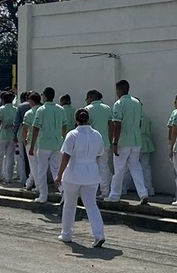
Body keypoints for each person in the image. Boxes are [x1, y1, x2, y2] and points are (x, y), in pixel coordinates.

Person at [56, 108, 107, 247]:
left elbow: (66, 156)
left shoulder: (72, 134)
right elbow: (99, 153)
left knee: (69, 205)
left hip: (73, 175)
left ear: (76, 120)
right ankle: (99, 234)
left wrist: (59, 174)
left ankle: (66, 234)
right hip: (91, 174)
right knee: (92, 205)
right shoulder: (97, 134)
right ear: (88, 119)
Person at [105, 80, 150, 204]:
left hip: (123, 142)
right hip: (136, 141)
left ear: (119, 90)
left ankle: (114, 195)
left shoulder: (119, 104)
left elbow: (117, 124)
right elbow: (140, 122)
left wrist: (114, 142)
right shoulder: (137, 103)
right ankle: (143, 193)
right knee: (136, 167)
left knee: (119, 169)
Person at [29, 86, 68, 204]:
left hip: (44, 144)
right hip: (57, 144)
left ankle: (43, 196)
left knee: (41, 171)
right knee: (56, 170)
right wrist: (60, 137)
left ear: (44, 96)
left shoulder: (41, 110)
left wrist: (32, 146)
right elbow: (64, 126)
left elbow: (36, 128)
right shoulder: (61, 109)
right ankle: (63, 191)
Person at [84, 90, 114, 196]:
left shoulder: (87, 109)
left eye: (87, 98)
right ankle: (105, 191)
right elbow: (111, 126)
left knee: (91, 167)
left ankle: (93, 190)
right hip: (105, 142)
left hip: (91, 144)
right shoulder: (107, 108)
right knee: (104, 167)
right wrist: (110, 140)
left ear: (91, 98)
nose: (86, 101)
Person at [0, 91, 18, 183]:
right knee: (10, 157)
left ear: (3, 99)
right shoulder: (16, 109)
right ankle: (8, 177)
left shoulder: (1, 109)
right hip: (12, 135)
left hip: (2, 135)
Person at [20, 92, 43, 192]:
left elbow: (25, 129)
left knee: (34, 165)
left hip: (31, 142)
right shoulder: (43, 111)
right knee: (38, 165)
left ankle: (38, 187)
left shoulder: (29, 113)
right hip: (42, 141)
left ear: (31, 101)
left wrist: (24, 140)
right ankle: (29, 183)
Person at [14, 91, 32, 186]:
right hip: (36, 135)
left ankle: (24, 178)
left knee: (22, 157)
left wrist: (14, 135)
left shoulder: (21, 107)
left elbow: (16, 123)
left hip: (22, 134)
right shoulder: (40, 106)